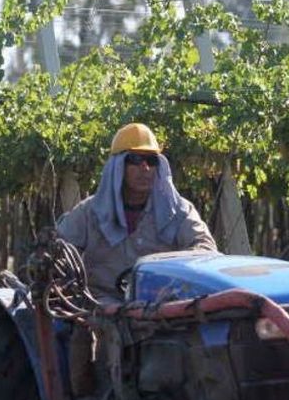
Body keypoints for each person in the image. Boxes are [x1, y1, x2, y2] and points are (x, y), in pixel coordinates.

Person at [57, 122, 217, 303]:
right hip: (101, 307)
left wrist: (164, 268)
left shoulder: (179, 211)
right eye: (135, 160)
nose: (145, 168)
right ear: (117, 167)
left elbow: (206, 251)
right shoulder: (89, 212)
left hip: (163, 307)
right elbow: (59, 253)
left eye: (151, 161)